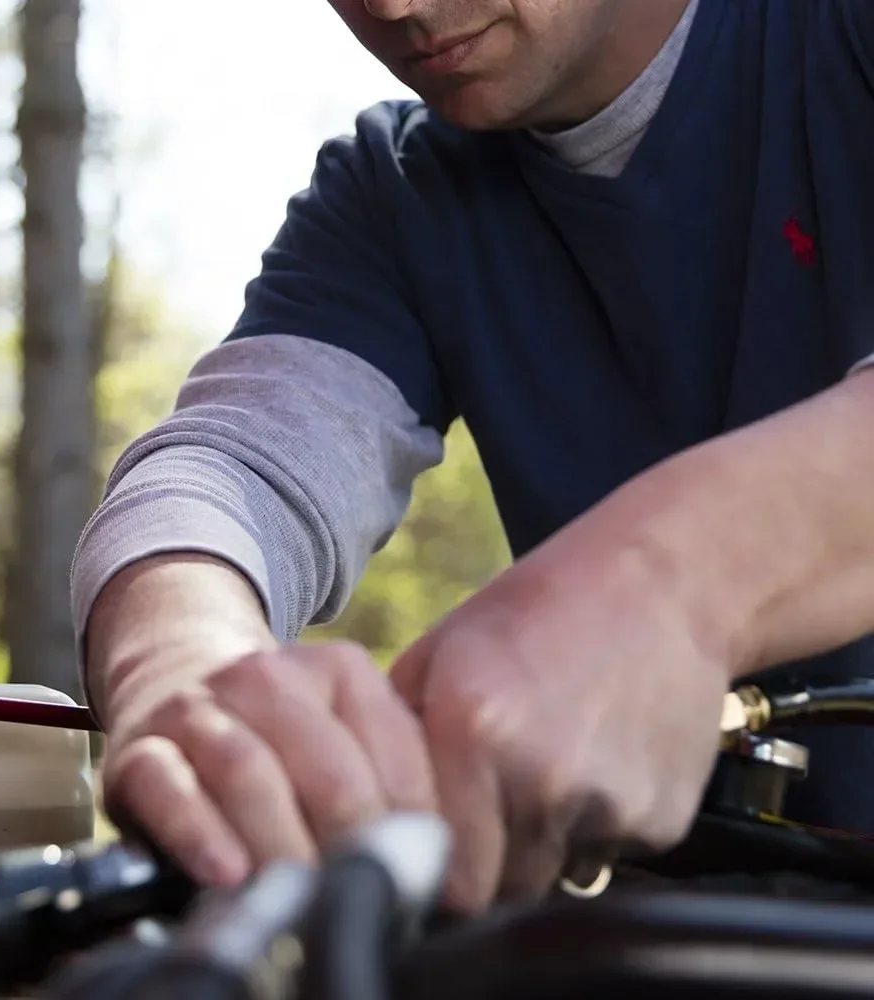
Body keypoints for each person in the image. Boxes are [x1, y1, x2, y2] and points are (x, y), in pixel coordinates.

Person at [70, 0, 874, 914]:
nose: (391, 5)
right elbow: (225, 472)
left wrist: (666, 585)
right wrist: (183, 674)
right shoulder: (395, 196)